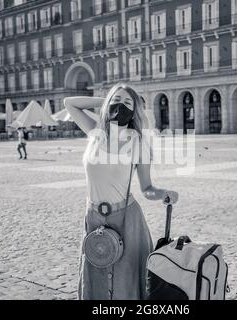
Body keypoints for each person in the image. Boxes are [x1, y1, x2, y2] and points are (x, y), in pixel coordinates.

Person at [64, 83, 179, 300]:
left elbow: (147, 189)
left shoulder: (139, 142)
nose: (120, 106)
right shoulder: (95, 131)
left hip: (127, 220)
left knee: (126, 284)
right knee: (95, 279)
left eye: (127, 103)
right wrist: (106, 102)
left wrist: (164, 193)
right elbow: (69, 103)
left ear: (135, 110)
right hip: (94, 218)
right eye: (116, 101)